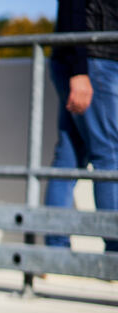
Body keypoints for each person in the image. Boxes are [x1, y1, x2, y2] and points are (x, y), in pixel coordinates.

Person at [44, 0, 118, 252]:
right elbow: (73, 7)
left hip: (89, 60)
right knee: (109, 154)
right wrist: (79, 71)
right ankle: (115, 251)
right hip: (93, 61)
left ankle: (55, 250)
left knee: (69, 155)